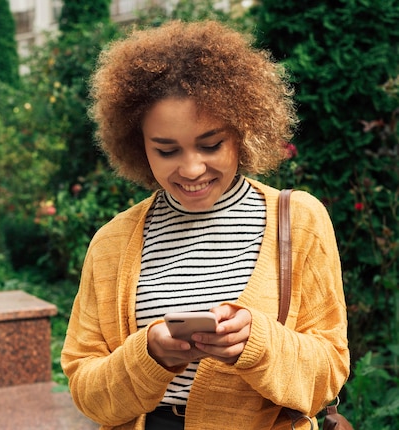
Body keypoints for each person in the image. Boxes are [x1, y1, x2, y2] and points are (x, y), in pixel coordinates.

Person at [61, 20, 350, 430]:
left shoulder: (299, 221)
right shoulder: (112, 243)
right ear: (137, 145)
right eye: (166, 150)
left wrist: (258, 344)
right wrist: (151, 355)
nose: (191, 168)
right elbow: (88, 394)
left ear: (242, 130)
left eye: (210, 145)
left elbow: (329, 373)